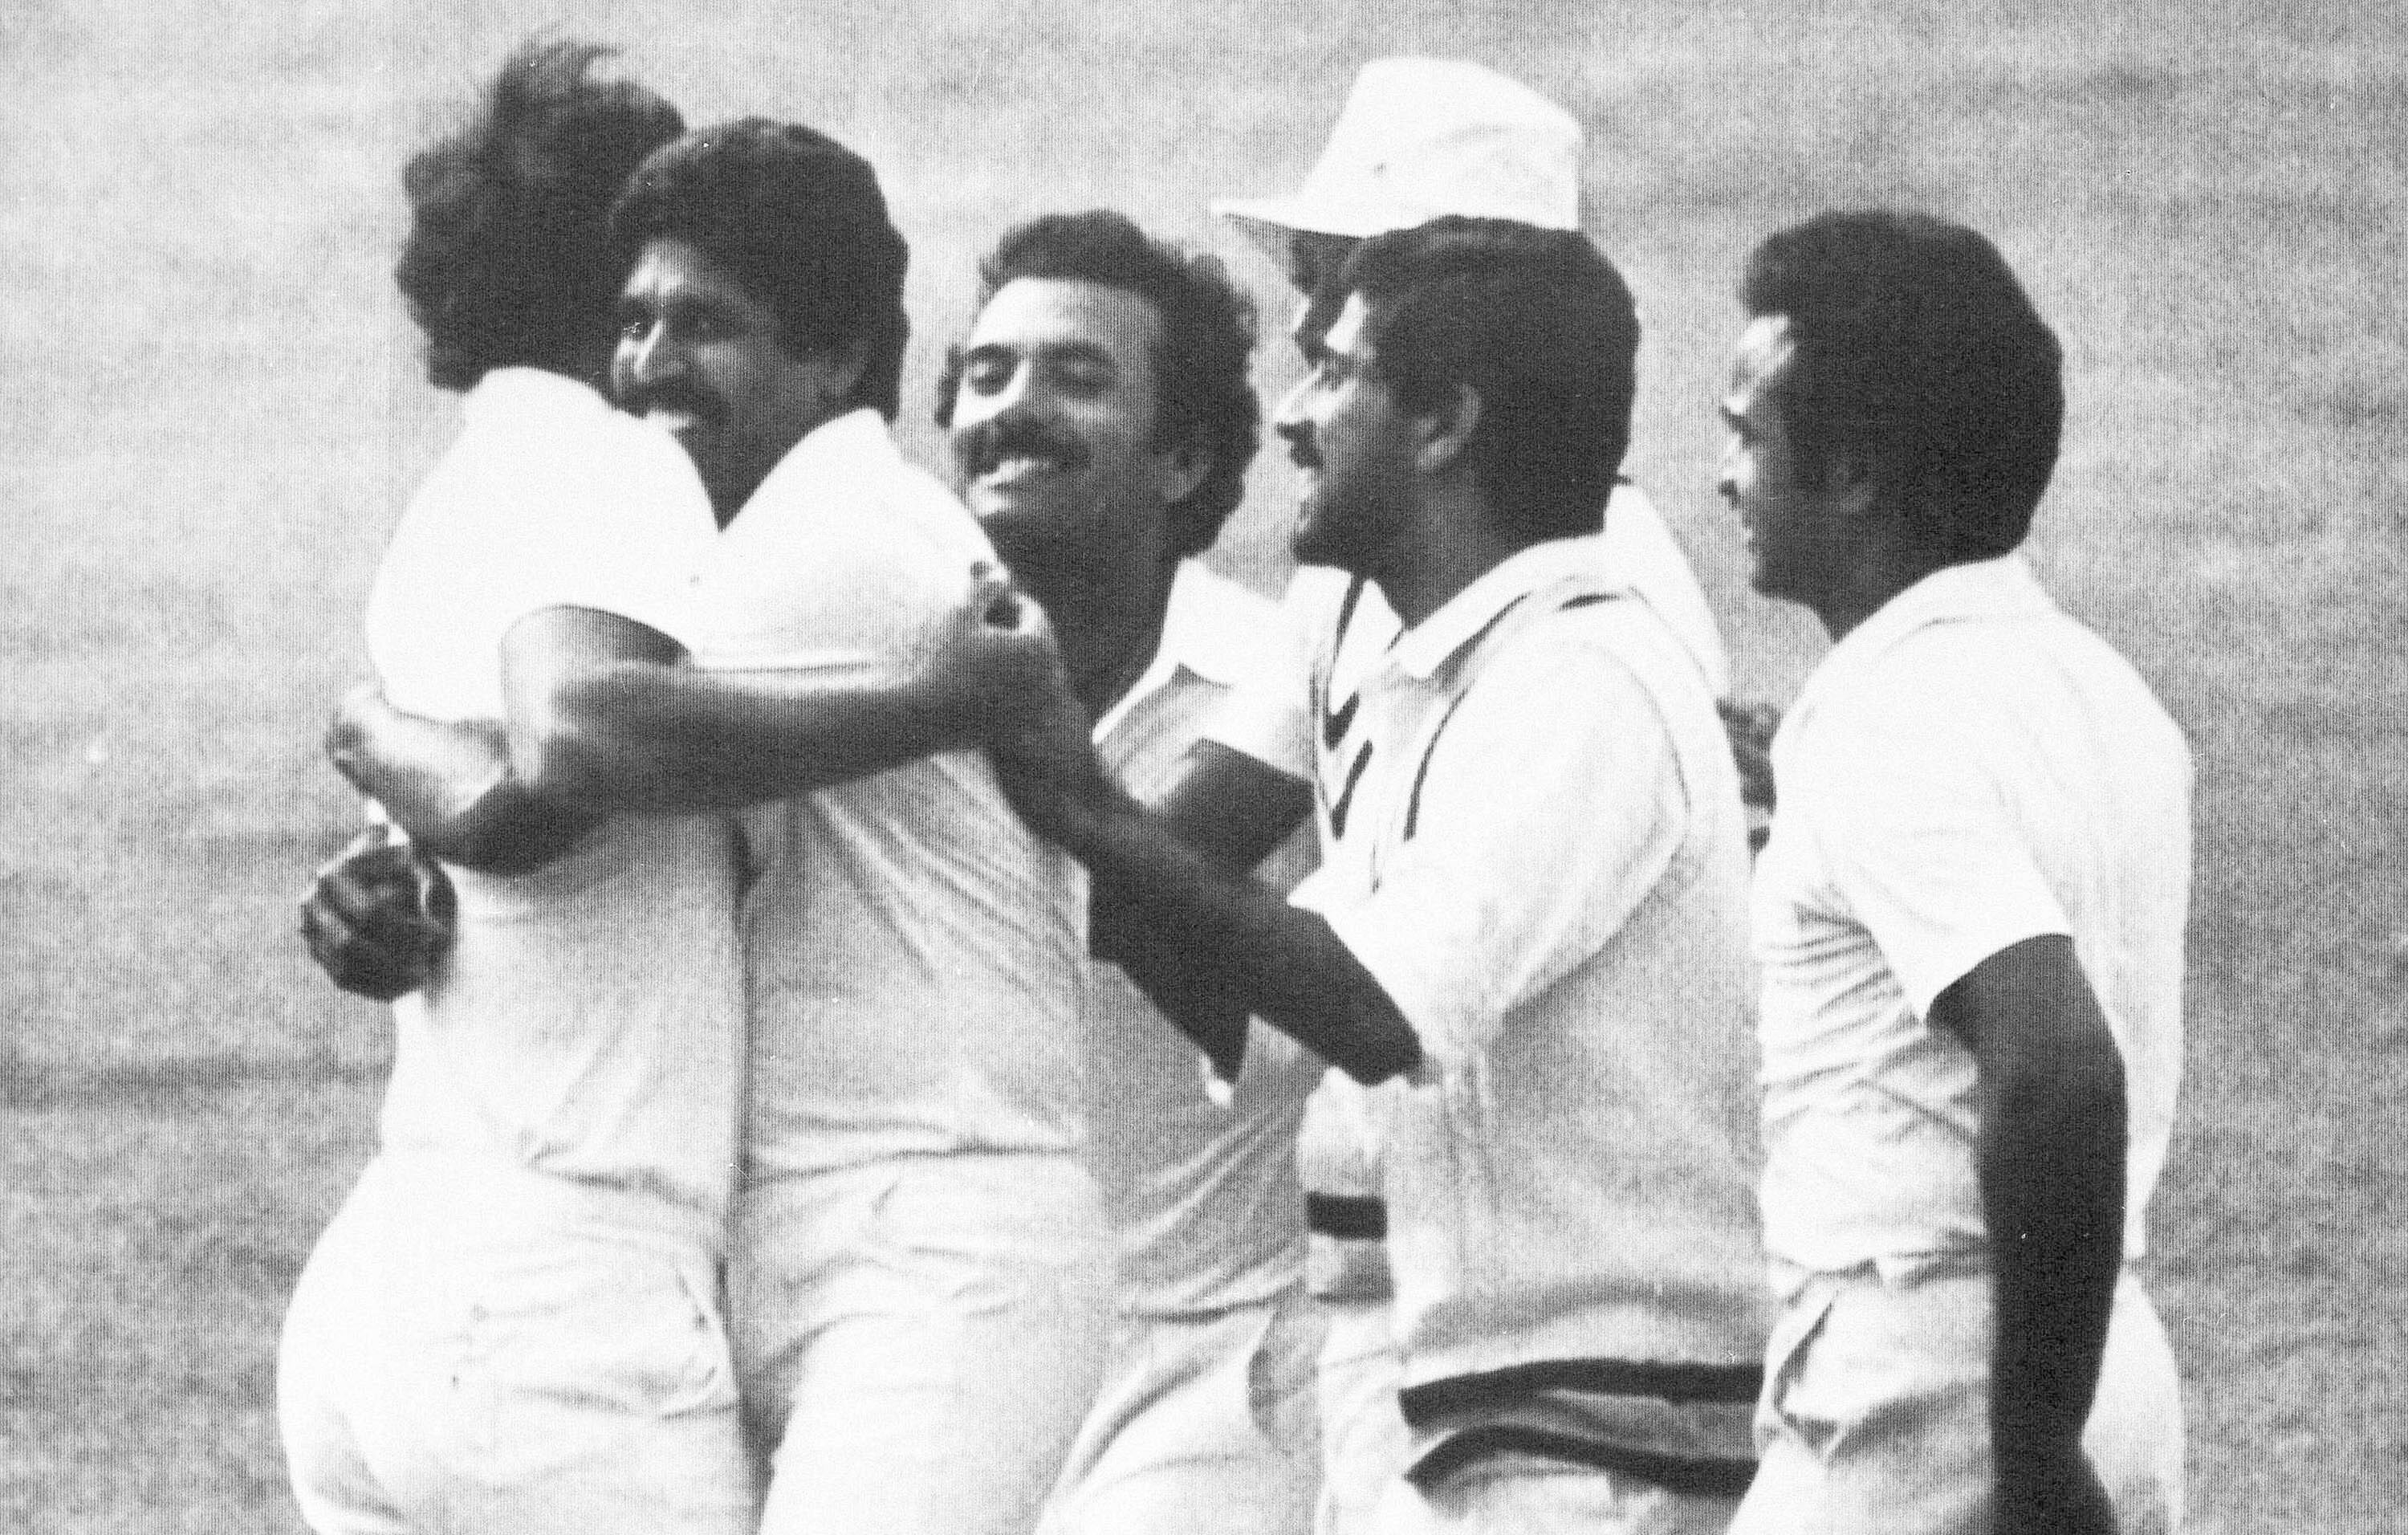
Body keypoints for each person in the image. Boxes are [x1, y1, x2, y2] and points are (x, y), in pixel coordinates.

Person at [323, 120, 1110, 1535]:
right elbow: (582, 741)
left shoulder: (830, 543)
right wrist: (386, 797)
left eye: (706, 327)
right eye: (633, 320)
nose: (649, 367)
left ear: (838, 361)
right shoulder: (710, 538)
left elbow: (576, 748)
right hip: (760, 1245)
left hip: (930, 1242)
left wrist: (379, 735)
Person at [986, 218, 1767, 1535]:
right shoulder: (1431, 663)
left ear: (1445, 424)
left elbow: (1375, 1006)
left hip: (1583, 1445)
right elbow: (1257, 971)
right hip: (1458, 1408)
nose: (1293, 418)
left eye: (1336, 374)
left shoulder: (1579, 682)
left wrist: (1069, 798)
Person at [1192, 59, 1740, 1534]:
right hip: (1422, 1319)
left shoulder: (1594, 610)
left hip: (1574, 1374)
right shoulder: (1375, 562)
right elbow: (1197, 832)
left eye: (1342, 285)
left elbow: (1396, 989)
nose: (1302, 335)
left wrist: (1042, 790)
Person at [277, 42, 759, 1535]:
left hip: (401, 1291)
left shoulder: (463, 495)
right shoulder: (612, 476)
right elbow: (559, 771)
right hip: (562, 1326)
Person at [1714, 210, 2189, 1535]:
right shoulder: (2102, 691)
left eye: (1747, 436)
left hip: (1933, 1395)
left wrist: (2027, 1449)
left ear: (1856, 475)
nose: (1722, 477)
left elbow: (2058, 1069)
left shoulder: (1889, 725)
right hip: (2101, 1349)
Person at [934, 210, 1327, 1535]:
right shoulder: (874, 679)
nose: (1013, 409)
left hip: (1211, 1371)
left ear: (1185, 459)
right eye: (987, 375)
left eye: (1076, 378)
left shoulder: (1292, 694)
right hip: (930, 1353)